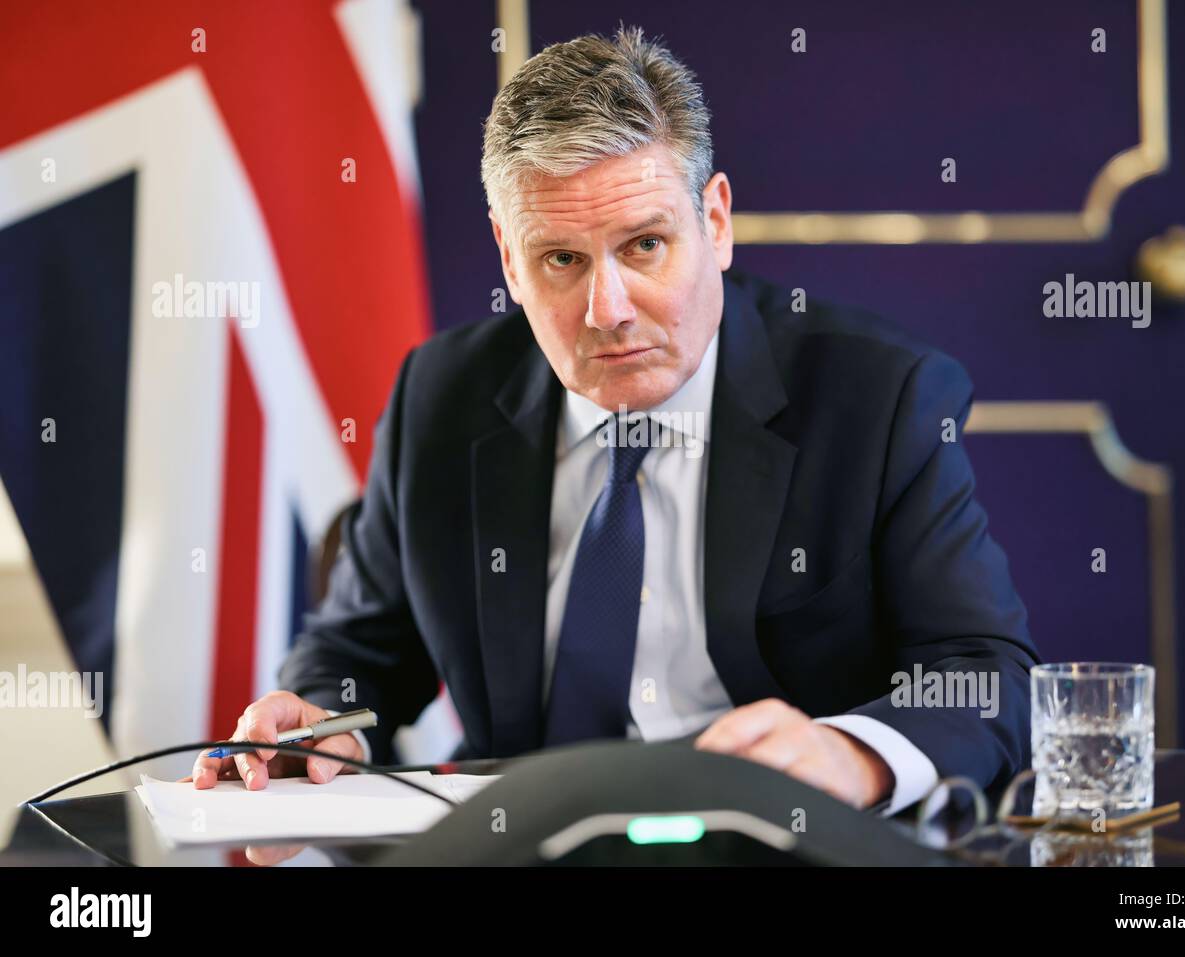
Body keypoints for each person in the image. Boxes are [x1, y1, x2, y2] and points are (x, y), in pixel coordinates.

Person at [191, 25, 1038, 816]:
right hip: (524, 843)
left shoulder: (877, 397)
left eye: (644, 246)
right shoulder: (439, 397)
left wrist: (846, 758)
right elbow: (359, 651)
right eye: (562, 259)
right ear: (508, 262)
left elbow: (982, 674)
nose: (608, 311)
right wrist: (320, 724)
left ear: (714, 220)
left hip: (778, 843)